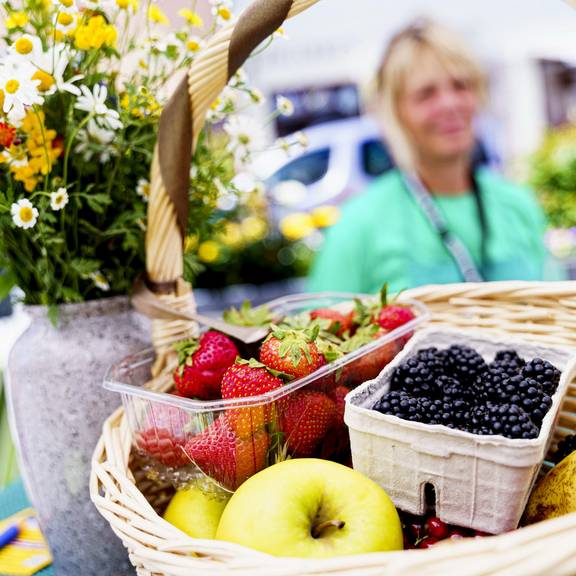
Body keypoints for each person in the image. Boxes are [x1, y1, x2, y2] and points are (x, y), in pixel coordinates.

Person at [308, 19, 560, 294]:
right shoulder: (360, 224)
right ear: (396, 112)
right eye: (426, 94)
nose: (450, 104)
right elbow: (323, 330)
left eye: (460, 85)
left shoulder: (517, 205)